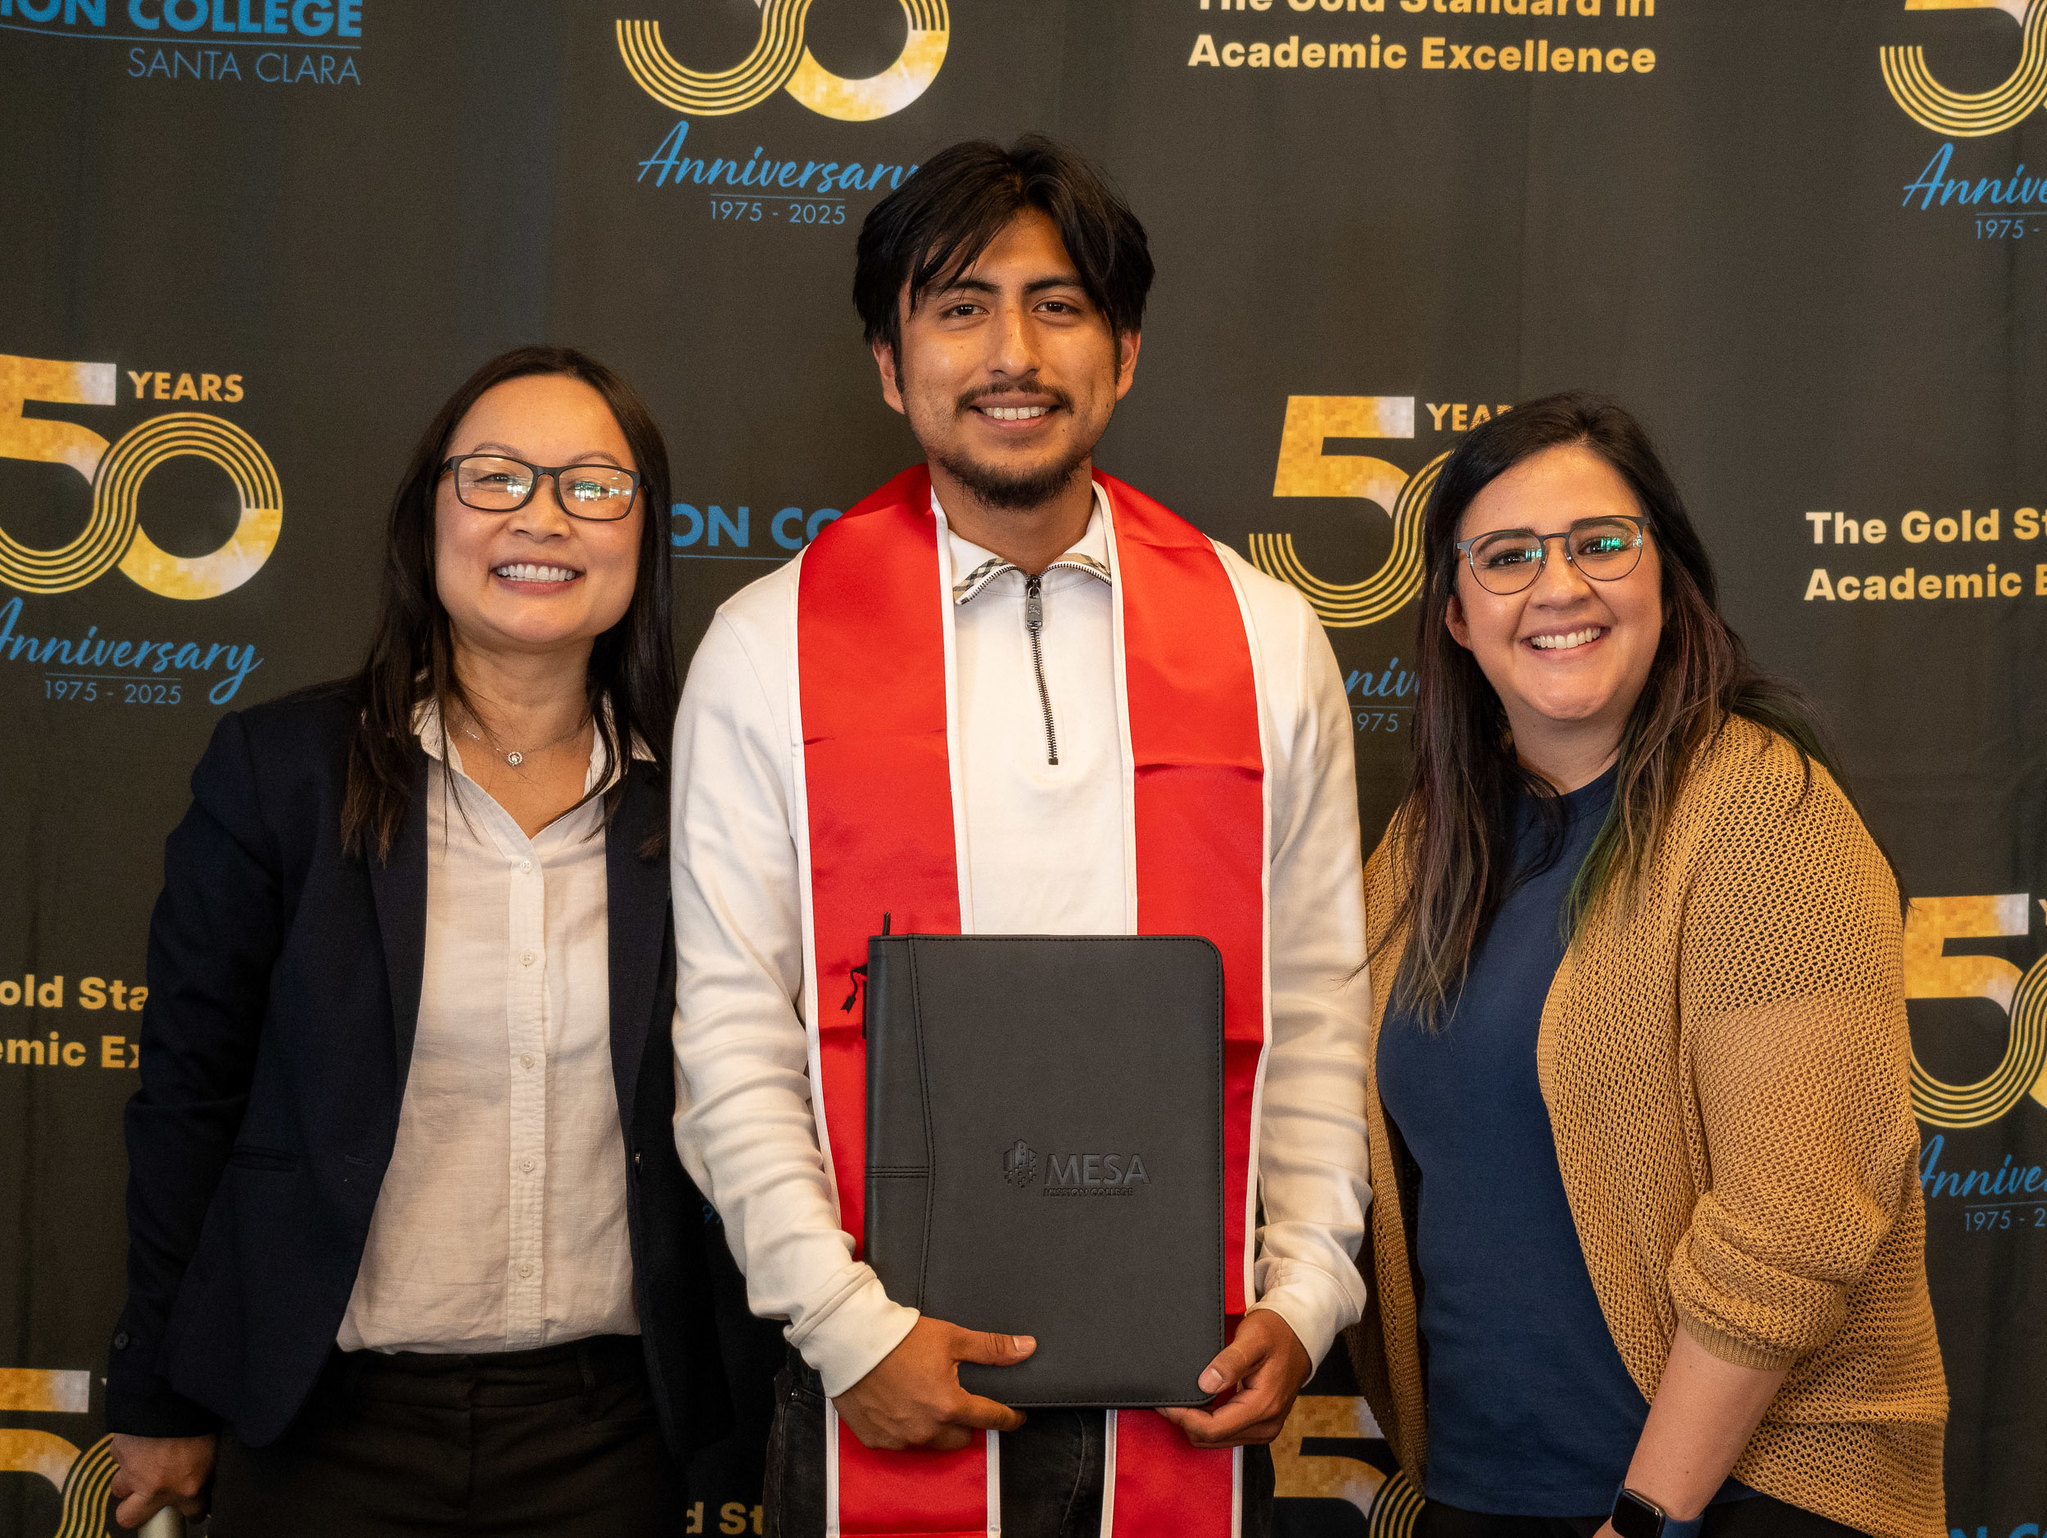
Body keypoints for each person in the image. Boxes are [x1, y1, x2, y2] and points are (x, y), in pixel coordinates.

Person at [668, 135, 1372, 1538]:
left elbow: (1311, 1006)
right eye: (960, 307)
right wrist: (843, 1325)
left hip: (1188, 1378)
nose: (1013, 353)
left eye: (1058, 306)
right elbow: (734, 1032)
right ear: (889, 363)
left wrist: (1304, 1293)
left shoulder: (1263, 637)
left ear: (1124, 351)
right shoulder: (766, 648)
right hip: (880, 1371)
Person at [104, 345, 728, 1534]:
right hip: (321, 1434)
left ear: (645, 534)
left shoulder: (706, 791)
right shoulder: (283, 774)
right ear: (426, 514)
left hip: (607, 1440)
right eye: (494, 475)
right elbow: (189, 1097)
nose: (541, 515)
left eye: (594, 485)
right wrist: (156, 1387)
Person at [1348, 393, 1946, 1538]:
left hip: (1726, 1502)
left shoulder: (1763, 812)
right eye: (1507, 555)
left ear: (1664, 575)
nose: (1559, 585)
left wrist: (1645, 1513)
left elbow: (1795, 1216)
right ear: (1457, 615)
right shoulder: (1424, 845)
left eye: (1600, 542)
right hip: (1481, 1488)